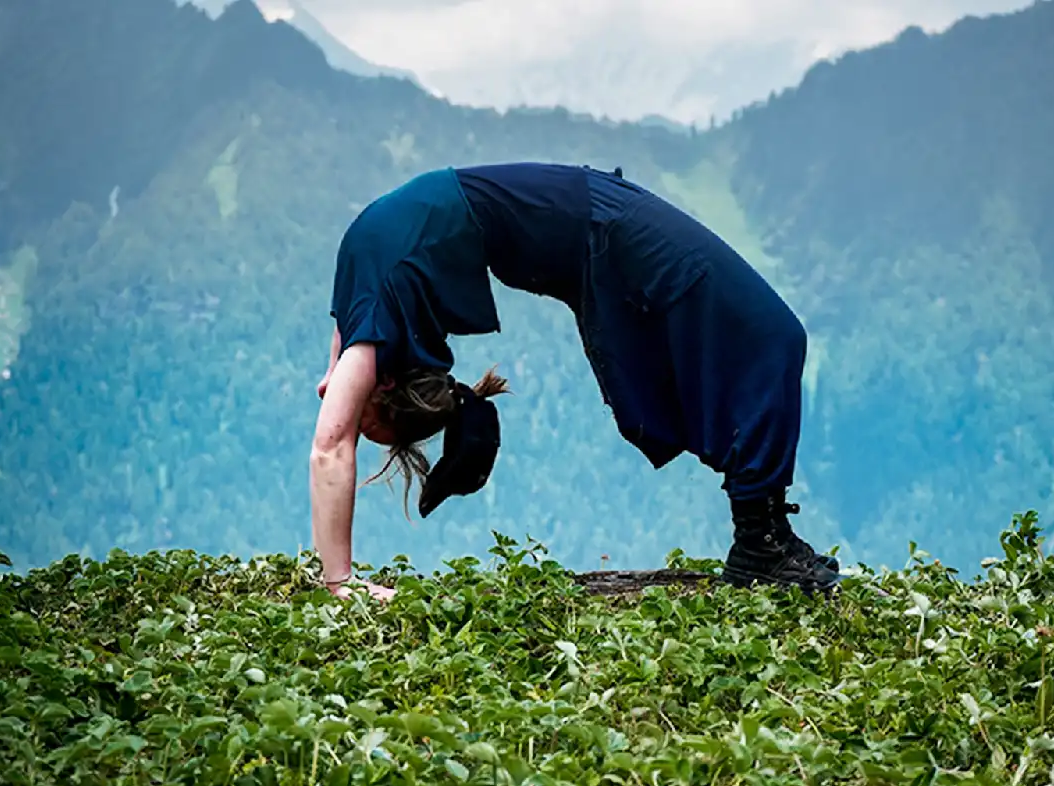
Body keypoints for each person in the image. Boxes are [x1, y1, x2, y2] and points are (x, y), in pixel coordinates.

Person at [311, 162, 841, 600]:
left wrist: (338, 584)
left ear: (379, 387)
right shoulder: (366, 313)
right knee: (760, 339)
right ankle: (760, 539)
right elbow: (333, 389)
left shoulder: (370, 331)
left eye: (359, 414)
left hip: (604, 222)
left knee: (774, 337)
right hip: (593, 238)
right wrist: (340, 381)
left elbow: (330, 446)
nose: (341, 401)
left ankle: (761, 540)